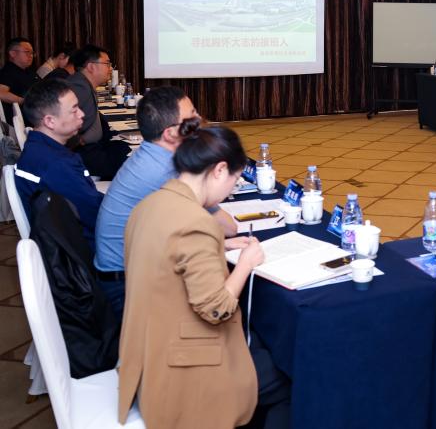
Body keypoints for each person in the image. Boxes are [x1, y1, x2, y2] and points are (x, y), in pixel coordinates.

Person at [119, 124, 289, 428]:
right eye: (235, 180)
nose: (231, 191)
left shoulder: (149, 204)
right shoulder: (196, 223)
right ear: (220, 170)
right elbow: (216, 309)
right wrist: (246, 263)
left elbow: (166, 255)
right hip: (182, 369)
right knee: (290, 372)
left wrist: (219, 245)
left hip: (146, 353)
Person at [93, 87, 236, 317]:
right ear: (170, 134)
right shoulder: (169, 171)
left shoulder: (150, 154)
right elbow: (229, 228)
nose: (199, 119)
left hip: (121, 271)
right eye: (192, 117)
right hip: (125, 287)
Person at [13, 79, 104, 248]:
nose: (82, 114)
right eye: (74, 110)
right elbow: (97, 215)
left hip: (66, 237)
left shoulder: (38, 148)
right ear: (50, 121)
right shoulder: (55, 165)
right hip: (89, 249)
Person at [67, 44, 131, 180]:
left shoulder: (83, 83)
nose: (110, 68)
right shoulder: (79, 87)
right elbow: (64, 122)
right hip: (84, 154)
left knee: (124, 149)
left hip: (92, 148)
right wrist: (77, 140)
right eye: (107, 64)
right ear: (91, 66)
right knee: (128, 160)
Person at [0, 37, 39, 122]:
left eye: (32, 53)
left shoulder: (29, 71)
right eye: (27, 52)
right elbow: (1, 93)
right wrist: (24, 101)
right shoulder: (8, 72)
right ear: (13, 53)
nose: (31, 56)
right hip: (22, 120)